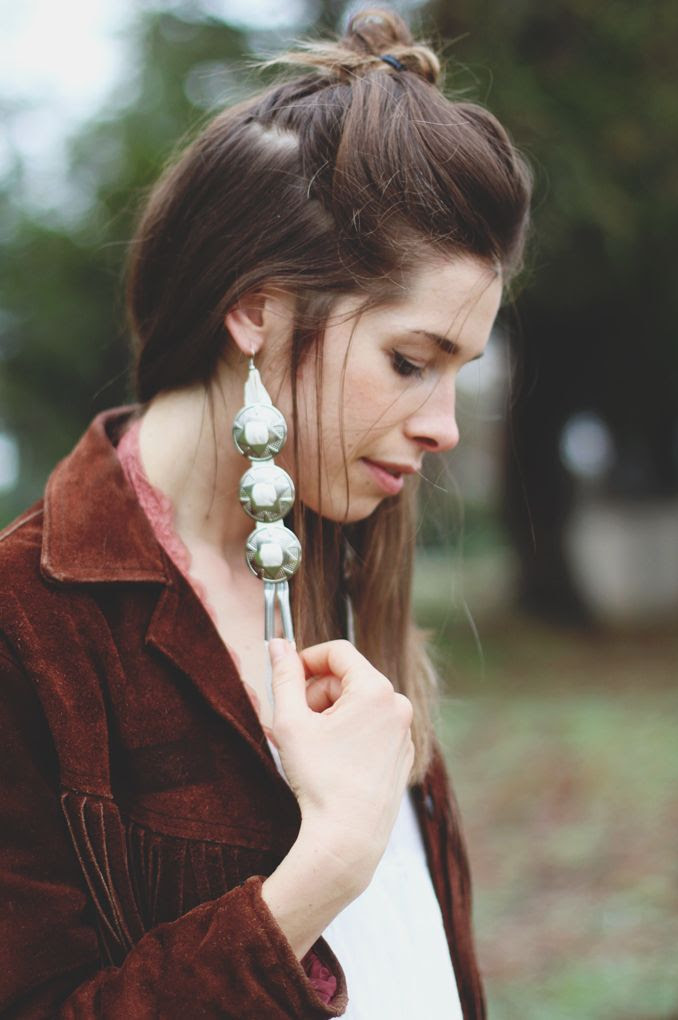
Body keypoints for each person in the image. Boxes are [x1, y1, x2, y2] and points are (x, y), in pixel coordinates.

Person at [0, 7, 531, 1018]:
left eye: (459, 369)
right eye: (409, 362)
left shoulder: (343, 548)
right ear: (255, 310)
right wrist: (321, 870)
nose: (445, 428)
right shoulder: (29, 626)